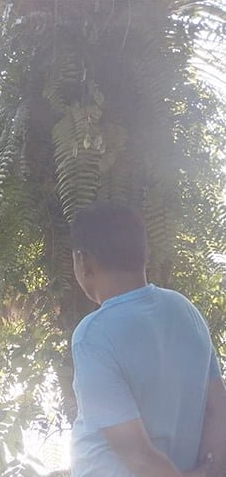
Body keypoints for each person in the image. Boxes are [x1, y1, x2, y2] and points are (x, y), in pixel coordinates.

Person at [69, 201, 226, 477]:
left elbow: (139, 458)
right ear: (145, 253)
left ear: (83, 261)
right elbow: (218, 409)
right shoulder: (185, 310)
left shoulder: (93, 335)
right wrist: (210, 469)